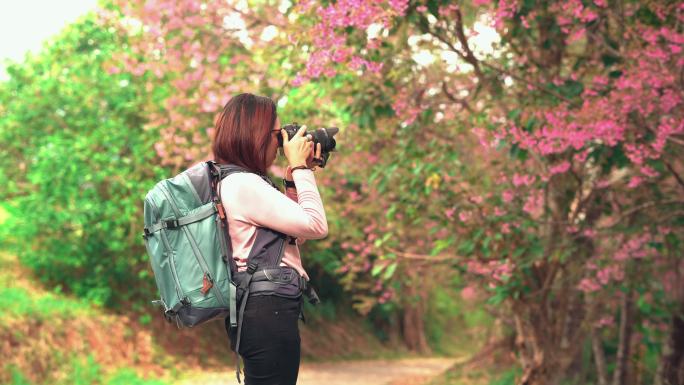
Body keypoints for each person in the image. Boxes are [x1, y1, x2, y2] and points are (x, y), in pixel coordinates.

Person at [210, 93, 328, 385]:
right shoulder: (244, 184)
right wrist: (300, 168)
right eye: (277, 135)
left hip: (261, 309)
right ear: (256, 135)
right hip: (266, 311)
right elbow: (315, 225)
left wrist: (291, 181)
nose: (280, 145)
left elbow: (290, 238)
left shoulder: (237, 182)